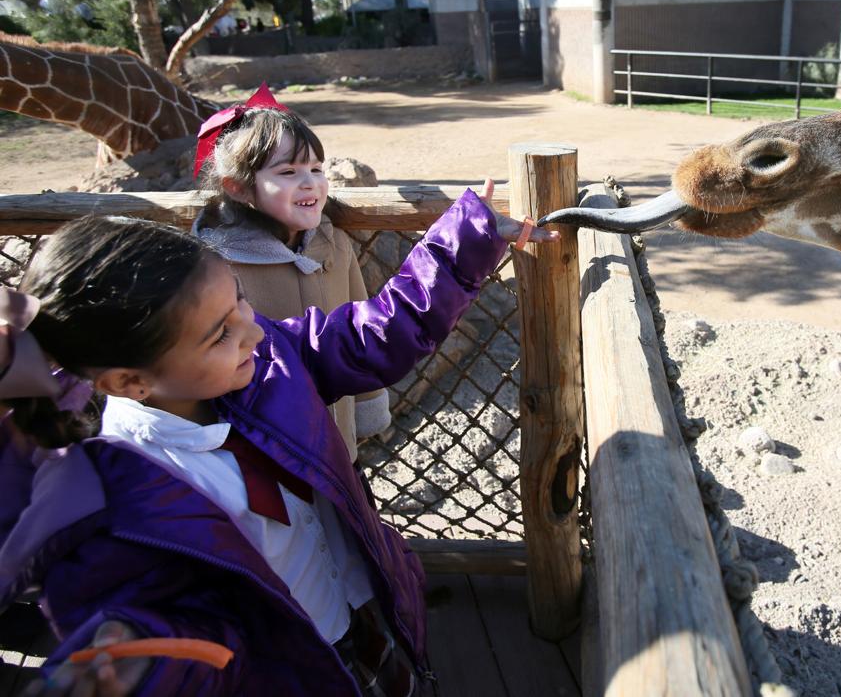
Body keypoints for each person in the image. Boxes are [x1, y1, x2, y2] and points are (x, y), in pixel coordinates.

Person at [0, 195, 557, 695]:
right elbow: (171, 632)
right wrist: (140, 668)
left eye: (239, 301)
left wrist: (464, 243)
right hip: (293, 665)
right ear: (129, 383)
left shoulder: (269, 363)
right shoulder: (120, 506)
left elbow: (376, 334)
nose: (254, 329)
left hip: (370, 606)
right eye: (220, 333)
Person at [192, 84, 388, 471]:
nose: (310, 182)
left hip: (340, 447)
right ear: (239, 187)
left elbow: (360, 327)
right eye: (287, 172)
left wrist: (368, 405)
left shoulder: (334, 245)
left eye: (316, 168)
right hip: (265, 456)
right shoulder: (214, 265)